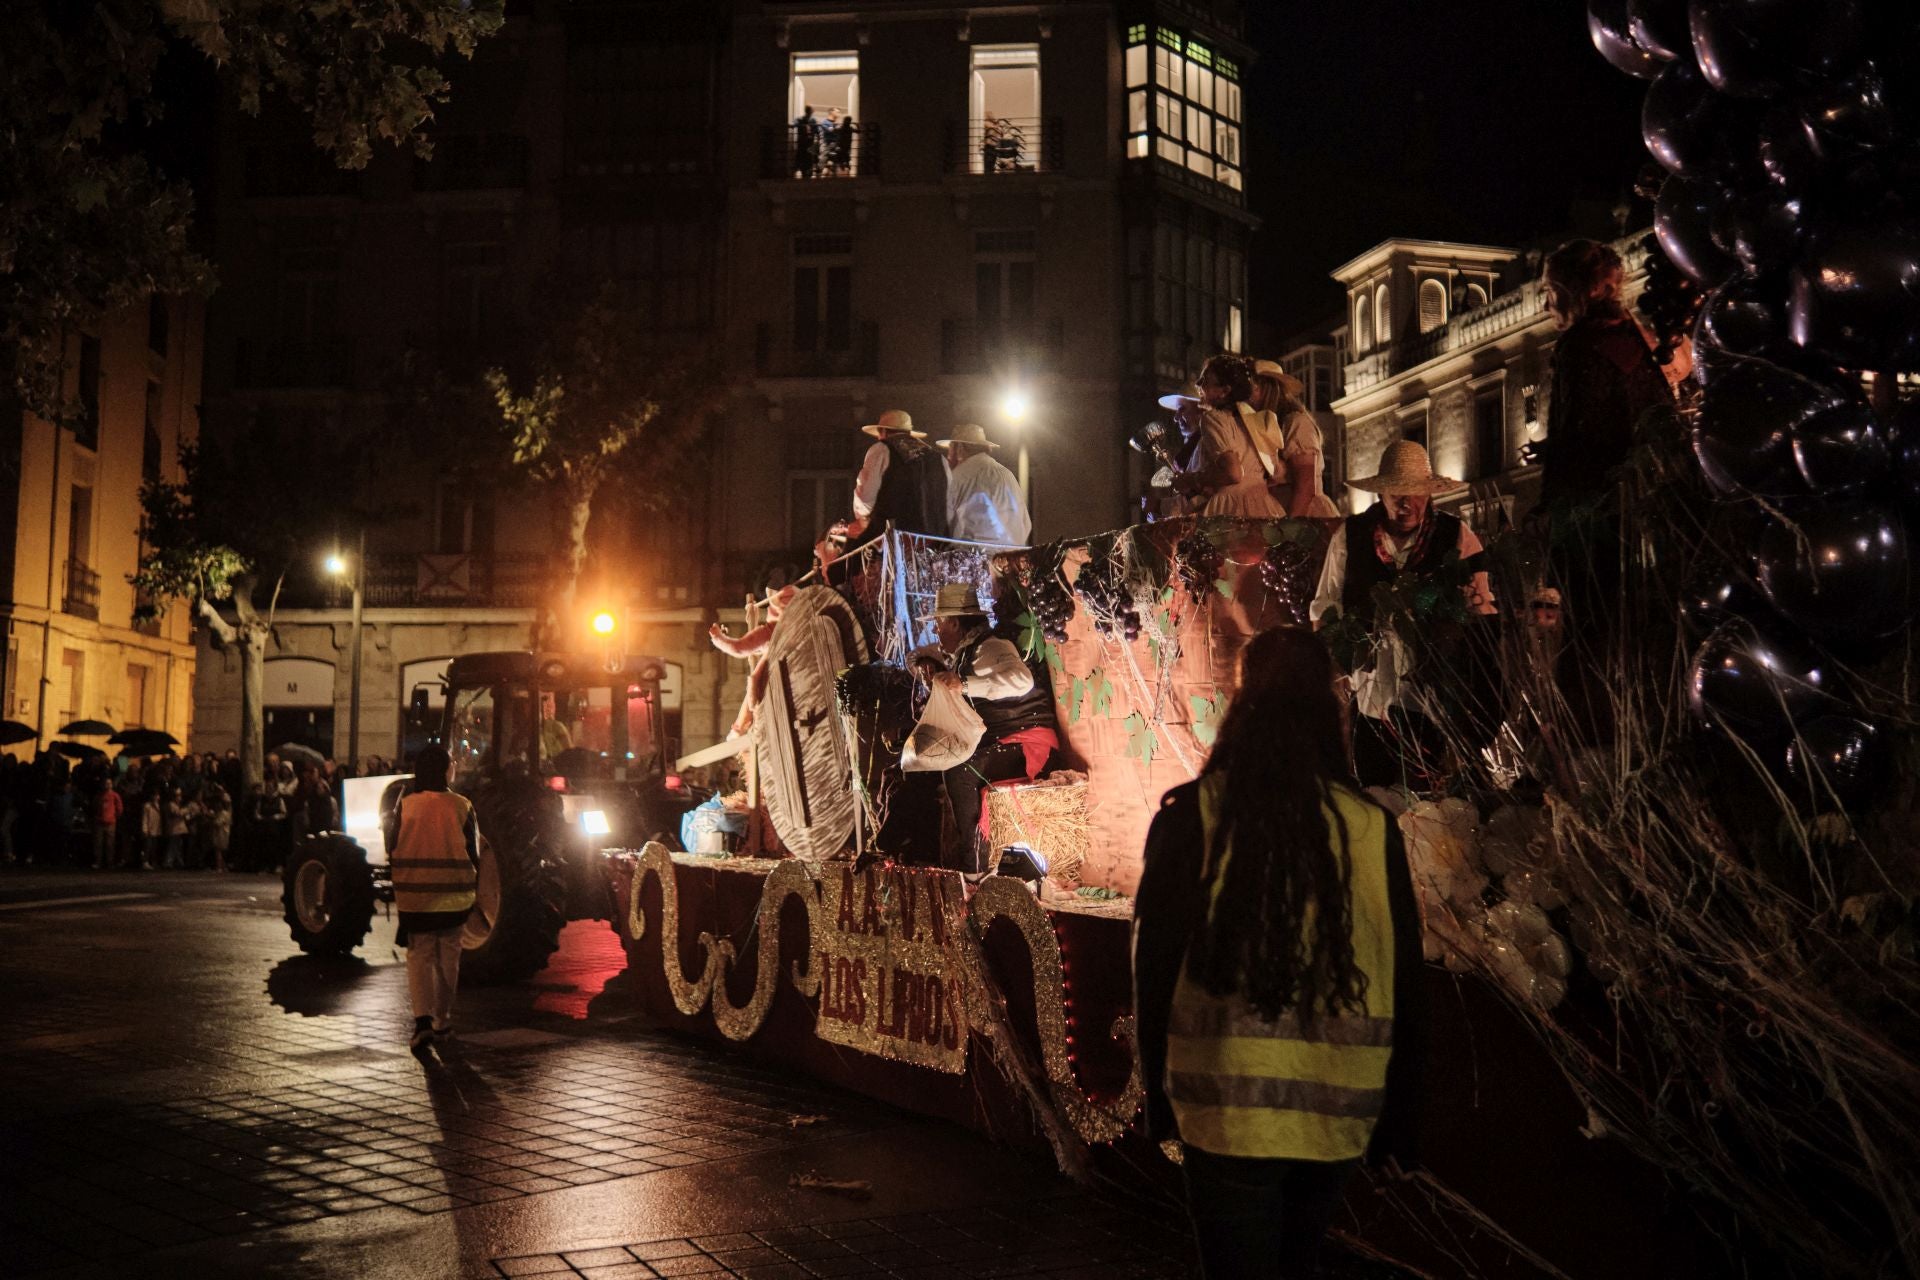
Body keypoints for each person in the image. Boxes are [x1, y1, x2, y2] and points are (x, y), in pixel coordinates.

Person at [1132, 627, 1427, 1279]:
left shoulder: (1195, 817)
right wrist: (1399, 1122)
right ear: (1328, 710)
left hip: (1225, 1113)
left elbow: (1153, 969)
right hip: (1338, 1114)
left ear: (1240, 705)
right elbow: (1406, 977)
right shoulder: (1370, 828)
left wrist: (1156, 1096)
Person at [1309, 440, 1496, 790]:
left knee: (1429, 795)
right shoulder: (1351, 535)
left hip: (1433, 700)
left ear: (1429, 493)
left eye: (1414, 492)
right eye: (1396, 492)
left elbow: (1481, 610)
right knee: (1373, 789)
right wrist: (1338, 671)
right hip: (1371, 695)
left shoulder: (1456, 536)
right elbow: (1325, 607)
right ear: (1381, 493)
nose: (1405, 502)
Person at [912, 583, 1058, 876]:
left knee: (960, 770)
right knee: (925, 771)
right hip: (1002, 742)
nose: (936, 630)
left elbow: (1022, 680)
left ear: (955, 623)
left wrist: (964, 684)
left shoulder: (991, 647)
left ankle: (974, 869)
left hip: (1027, 742)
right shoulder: (966, 653)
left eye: (939, 623)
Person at [1538, 239, 1675, 514]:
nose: (1545, 305)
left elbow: (1581, 435)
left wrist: (1549, 506)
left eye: (1551, 291)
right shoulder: (1635, 337)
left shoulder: (1579, 345)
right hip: (1654, 495)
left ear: (1578, 291)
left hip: (1602, 507)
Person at [383, 744, 481, 1055]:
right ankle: (443, 1021)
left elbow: (391, 845)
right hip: (454, 897)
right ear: (445, 770)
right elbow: (474, 852)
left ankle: (422, 1023)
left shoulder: (405, 805)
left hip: (415, 897)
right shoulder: (462, 806)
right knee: (449, 958)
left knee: (420, 956)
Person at [1176, 355, 1287, 520]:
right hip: (1262, 504)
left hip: (1231, 507)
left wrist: (1192, 479)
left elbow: (1232, 473)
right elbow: (1277, 472)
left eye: (1205, 380)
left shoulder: (1215, 419)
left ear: (1225, 391)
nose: (1198, 384)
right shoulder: (1255, 419)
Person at [847, 409, 951, 548]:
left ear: (883, 431)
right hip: (934, 539)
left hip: (894, 537)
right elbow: (949, 499)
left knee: (846, 556)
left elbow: (865, 493)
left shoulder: (881, 449)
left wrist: (862, 517)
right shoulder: (939, 458)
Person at [1251, 359, 1339, 518]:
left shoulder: (1296, 423)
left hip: (1304, 515)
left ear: (1266, 388)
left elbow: (1306, 485)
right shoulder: (1267, 427)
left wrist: (1289, 526)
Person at [709, 584, 797, 738]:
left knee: (755, 684)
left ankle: (741, 727)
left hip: (777, 670)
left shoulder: (772, 630)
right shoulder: (798, 624)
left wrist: (717, 637)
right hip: (794, 664)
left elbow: (739, 648)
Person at [938, 423, 1031, 545]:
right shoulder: (1007, 474)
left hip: (971, 554)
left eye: (950, 448)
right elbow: (1025, 523)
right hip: (1012, 553)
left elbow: (943, 521)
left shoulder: (957, 477)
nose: (948, 456)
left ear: (959, 448)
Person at [91, 779, 121, 870]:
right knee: (98, 843)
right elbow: (94, 806)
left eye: (109, 783)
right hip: (99, 822)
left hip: (110, 822)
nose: (107, 785)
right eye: (106, 783)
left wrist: (114, 817)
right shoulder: (99, 796)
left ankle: (110, 862)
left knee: (110, 844)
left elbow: (119, 808)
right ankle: (98, 862)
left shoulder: (115, 795)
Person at [793, 103, 821, 178]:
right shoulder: (800, 119)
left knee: (809, 157)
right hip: (802, 142)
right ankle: (802, 171)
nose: (810, 112)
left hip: (809, 142)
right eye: (809, 110)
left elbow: (817, 131)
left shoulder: (813, 120)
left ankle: (808, 172)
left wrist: (818, 138)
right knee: (802, 156)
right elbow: (794, 124)